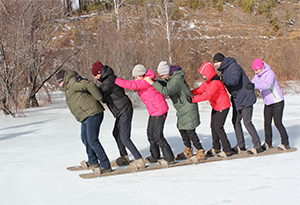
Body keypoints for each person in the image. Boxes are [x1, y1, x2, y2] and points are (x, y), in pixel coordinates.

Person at [115, 64, 175, 167]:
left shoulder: (146, 81)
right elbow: (131, 83)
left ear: (142, 75)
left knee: (157, 135)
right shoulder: (141, 81)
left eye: (136, 77)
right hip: (153, 111)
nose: (135, 79)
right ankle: (155, 156)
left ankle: (169, 158)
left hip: (160, 110)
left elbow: (130, 85)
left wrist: (115, 80)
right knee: (150, 134)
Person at [144, 61, 205, 161]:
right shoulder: (172, 78)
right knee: (181, 128)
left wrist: (153, 83)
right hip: (182, 108)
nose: (163, 77)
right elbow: (166, 83)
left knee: (190, 131)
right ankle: (188, 150)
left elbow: (166, 91)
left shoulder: (177, 79)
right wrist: (156, 81)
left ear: (167, 72)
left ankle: (200, 151)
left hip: (188, 107)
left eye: (163, 75)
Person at [55, 70, 111, 173]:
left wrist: (99, 97)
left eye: (60, 82)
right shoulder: (68, 88)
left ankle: (105, 164)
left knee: (92, 140)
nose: (59, 85)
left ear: (64, 79)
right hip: (86, 115)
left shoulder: (73, 82)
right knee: (85, 138)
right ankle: (93, 161)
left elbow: (89, 85)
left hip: (93, 113)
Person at [91, 61, 143, 166]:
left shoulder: (110, 80)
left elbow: (101, 91)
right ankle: (124, 157)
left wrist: (89, 88)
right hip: (120, 111)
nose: (96, 77)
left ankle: (139, 159)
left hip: (125, 109)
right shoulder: (107, 79)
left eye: (96, 75)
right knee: (116, 133)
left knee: (124, 137)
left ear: (100, 72)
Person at [213, 53, 264, 154]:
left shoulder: (234, 66)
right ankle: (241, 145)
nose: (216, 65)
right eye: (214, 63)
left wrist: (222, 78)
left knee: (247, 122)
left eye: (217, 62)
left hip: (246, 97)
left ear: (222, 61)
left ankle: (257, 145)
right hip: (237, 99)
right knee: (235, 121)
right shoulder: (224, 70)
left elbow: (235, 80)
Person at [187, 62, 232, 157]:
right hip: (216, 106)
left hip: (223, 106)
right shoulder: (208, 81)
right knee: (213, 126)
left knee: (218, 127)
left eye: (204, 75)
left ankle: (227, 149)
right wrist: (190, 93)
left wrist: (193, 100)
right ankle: (216, 148)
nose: (203, 77)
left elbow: (207, 95)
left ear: (209, 73)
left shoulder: (215, 82)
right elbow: (200, 90)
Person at [248, 58, 290, 150]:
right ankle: (268, 143)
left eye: (257, 70)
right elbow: (252, 82)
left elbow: (267, 85)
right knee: (267, 123)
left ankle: (285, 143)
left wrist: (254, 86)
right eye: (254, 70)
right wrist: (248, 85)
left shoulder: (270, 73)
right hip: (268, 103)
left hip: (277, 101)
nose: (256, 72)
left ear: (262, 67)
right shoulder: (257, 75)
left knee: (278, 122)